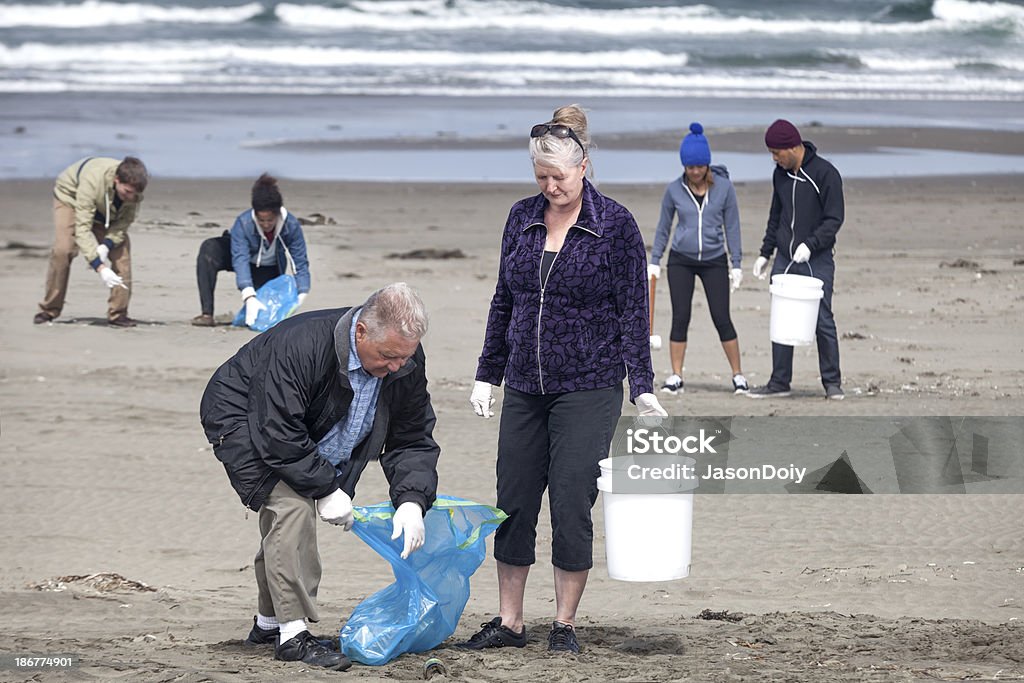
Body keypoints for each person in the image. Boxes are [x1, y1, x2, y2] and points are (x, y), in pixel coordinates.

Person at [463, 104, 667, 656]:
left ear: (584, 167)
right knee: (514, 501)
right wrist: (487, 375)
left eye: (559, 176)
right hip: (525, 386)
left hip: (590, 385)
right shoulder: (520, 217)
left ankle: (564, 623)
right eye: (540, 177)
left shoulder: (616, 225)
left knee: (572, 500)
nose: (550, 187)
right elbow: (504, 299)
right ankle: (508, 622)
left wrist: (643, 383)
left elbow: (632, 310)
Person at [199, 282, 441, 671]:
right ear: (361, 331)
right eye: (388, 356)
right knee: (292, 509)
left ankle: (268, 624)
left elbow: (411, 435)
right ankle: (293, 636)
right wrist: (328, 488)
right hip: (242, 418)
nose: (396, 367)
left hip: (305, 431)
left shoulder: (403, 358)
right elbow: (278, 433)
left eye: (404, 358)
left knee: (286, 523)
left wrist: (412, 499)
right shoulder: (300, 345)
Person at [748, 119, 845, 400]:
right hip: (785, 258)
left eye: (776, 153)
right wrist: (765, 253)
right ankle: (779, 382)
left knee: (823, 319)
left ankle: (832, 383)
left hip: (817, 259)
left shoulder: (826, 173)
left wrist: (811, 245)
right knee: (782, 317)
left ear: (792, 147)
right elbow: (775, 215)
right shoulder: (780, 174)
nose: (774, 158)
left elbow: (834, 218)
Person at [649, 122, 748, 396]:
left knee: (721, 317)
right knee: (681, 317)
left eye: (699, 166)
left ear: (707, 165)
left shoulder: (725, 189)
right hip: (681, 260)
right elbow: (664, 227)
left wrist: (736, 263)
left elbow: (733, 227)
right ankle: (676, 376)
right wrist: (655, 260)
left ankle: (738, 375)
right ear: (684, 166)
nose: (694, 171)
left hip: (715, 259)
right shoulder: (673, 191)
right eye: (690, 167)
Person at [34, 155, 148, 327]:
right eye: (127, 192)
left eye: (135, 194)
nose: (130, 197)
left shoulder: (133, 194)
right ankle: (49, 309)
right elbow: (83, 228)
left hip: (106, 209)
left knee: (121, 253)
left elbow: (124, 222)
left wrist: (107, 244)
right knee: (63, 251)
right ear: (117, 180)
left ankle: (118, 313)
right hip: (71, 198)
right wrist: (100, 267)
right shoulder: (93, 181)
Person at [191, 173, 310, 327]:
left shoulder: (291, 225)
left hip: (267, 268)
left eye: (270, 220)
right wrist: (248, 295)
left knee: (262, 315)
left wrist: (302, 294)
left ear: (278, 214)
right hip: (238, 257)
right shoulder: (244, 223)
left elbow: (300, 261)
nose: (266, 224)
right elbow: (240, 258)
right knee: (209, 249)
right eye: (261, 220)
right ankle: (207, 314)